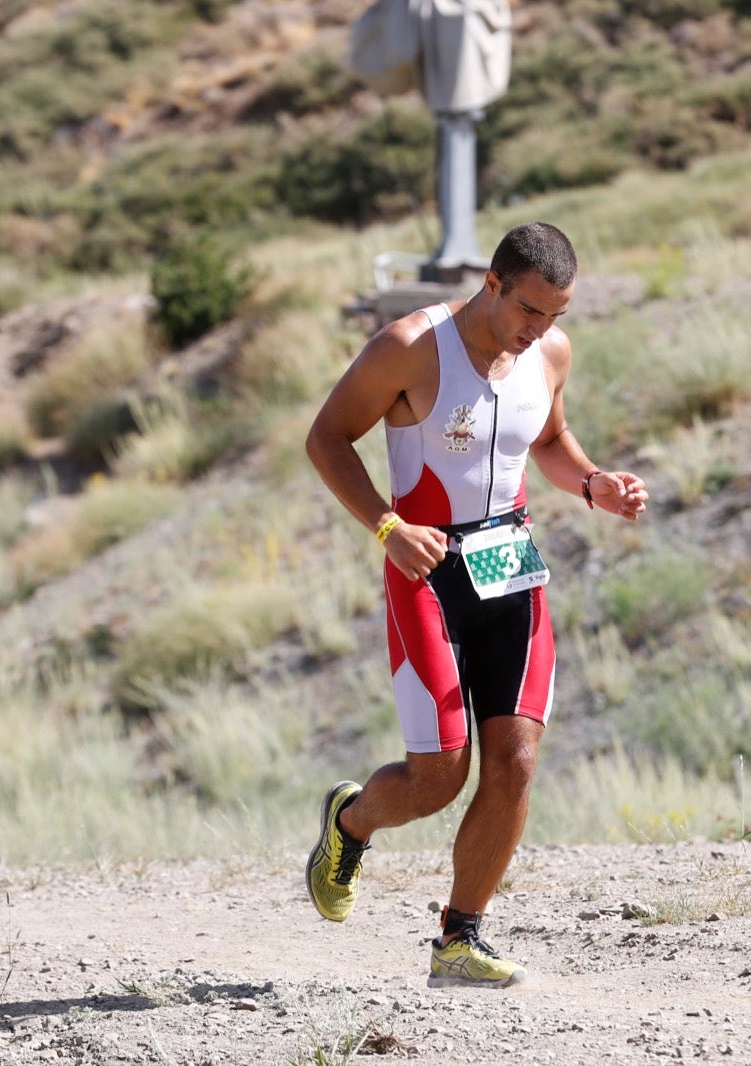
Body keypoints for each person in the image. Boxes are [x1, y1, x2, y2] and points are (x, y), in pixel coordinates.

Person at [303, 221, 648, 988]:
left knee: (517, 760)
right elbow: (327, 439)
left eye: (556, 316)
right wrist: (388, 527)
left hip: (512, 564)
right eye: (530, 311)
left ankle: (461, 937)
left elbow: (550, 438)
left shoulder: (548, 353)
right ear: (492, 283)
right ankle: (350, 823)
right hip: (425, 569)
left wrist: (593, 483)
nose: (541, 330)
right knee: (438, 777)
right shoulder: (410, 347)